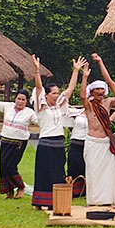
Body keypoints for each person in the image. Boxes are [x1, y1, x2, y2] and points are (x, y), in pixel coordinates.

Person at [30, 56, 85, 210]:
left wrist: (76, 70)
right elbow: (39, 88)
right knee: (43, 173)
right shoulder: (41, 107)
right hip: (46, 144)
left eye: (57, 93)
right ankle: (40, 202)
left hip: (59, 144)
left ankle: (54, 201)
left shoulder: (59, 106)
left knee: (58, 172)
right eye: (53, 93)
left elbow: (70, 89)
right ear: (47, 95)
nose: (56, 95)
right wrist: (37, 70)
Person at [0, 67, 43, 200]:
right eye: (18, 99)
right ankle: (9, 191)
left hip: (18, 143)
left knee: (11, 166)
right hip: (5, 140)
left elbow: (40, 121)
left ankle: (20, 187)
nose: (20, 102)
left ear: (26, 101)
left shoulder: (29, 113)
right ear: (15, 98)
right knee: (3, 166)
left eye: (23, 100)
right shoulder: (8, 106)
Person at [82, 53, 115, 206]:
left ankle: (106, 200)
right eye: (96, 89)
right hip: (93, 142)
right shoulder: (89, 105)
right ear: (92, 92)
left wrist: (100, 62)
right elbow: (82, 96)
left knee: (107, 172)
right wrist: (84, 77)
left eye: (102, 89)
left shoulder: (108, 103)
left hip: (106, 142)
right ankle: (92, 201)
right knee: (92, 171)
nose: (100, 91)